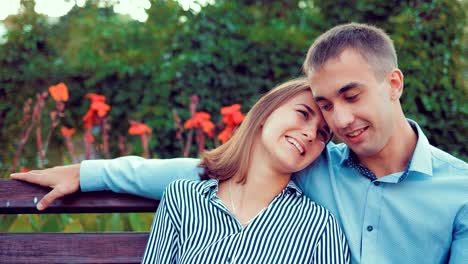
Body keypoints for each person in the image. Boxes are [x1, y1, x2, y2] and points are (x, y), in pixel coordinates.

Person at [11, 23, 468, 264]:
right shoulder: (315, 163)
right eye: (325, 104)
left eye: (352, 95)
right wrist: (88, 172)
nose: (340, 120)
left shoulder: (460, 192)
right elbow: (212, 171)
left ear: (393, 83)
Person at [140, 78, 349, 263]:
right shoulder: (183, 199)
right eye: (303, 114)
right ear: (266, 113)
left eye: (323, 134)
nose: (311, 134)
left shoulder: (319, 227)